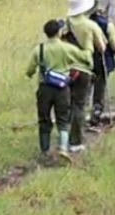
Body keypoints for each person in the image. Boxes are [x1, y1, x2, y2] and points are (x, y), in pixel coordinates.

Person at [25, 19, 89, 163]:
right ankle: (63, 148)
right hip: (62, 89)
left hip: (44, 89)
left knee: (44, 119)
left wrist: (31, 74)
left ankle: (45, 150)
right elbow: (85, 58)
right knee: (63, 119)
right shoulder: (66, 48)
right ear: (59, 32)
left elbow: (29, 70)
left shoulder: (39, 49)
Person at [63, 0, 106, 153]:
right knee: (79, 105)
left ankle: (63, 137)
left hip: (67, 68)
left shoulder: (65, 24)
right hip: (84, 68)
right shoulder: (90, 26)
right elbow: (101, 47)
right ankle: (76, 141)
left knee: (68, 102)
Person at [89, 0, 115, 125]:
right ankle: (96, 111)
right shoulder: (107, 24)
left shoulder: (83, 23)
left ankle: (80, 112)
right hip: (102, 60)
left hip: (86, 60)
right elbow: (114, 44)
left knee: (86, 87)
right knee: (100, 86)